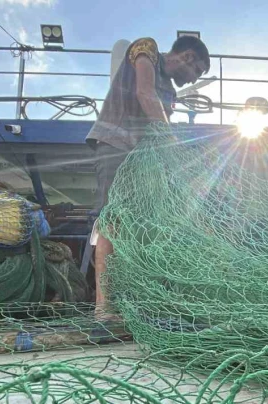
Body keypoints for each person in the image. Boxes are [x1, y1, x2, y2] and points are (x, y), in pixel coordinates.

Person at [86, 35, 210, 316]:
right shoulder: (147, 49)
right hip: (116, 144)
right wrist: (170, 143)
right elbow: (145, 94)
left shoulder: (171, 91)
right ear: (187, 57)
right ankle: (103, 306)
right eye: (197, 71)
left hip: (142, 158)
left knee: (141, 223)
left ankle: (134, 297)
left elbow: (160, 119)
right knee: (113, 219)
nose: (194, 79)